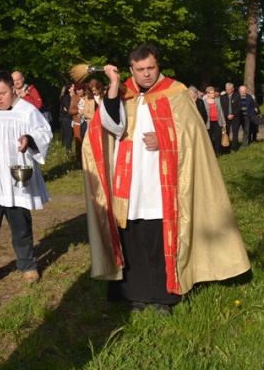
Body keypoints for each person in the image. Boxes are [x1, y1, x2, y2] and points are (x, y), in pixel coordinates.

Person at [82, 44, 249, 315]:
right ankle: (136, 295)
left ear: (158, 65)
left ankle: (163, 297)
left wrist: (165, 140)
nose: (147, 74)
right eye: (140, 69)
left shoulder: (176, 92)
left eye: (151, 67)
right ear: (132, 70)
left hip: (162, 178)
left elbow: (193, 134)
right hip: (130, 179)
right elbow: (112, 126)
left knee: (159, 235)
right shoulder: (124, 92)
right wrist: (112, 85)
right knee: (132, 234)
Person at [0, 70, 51, 286]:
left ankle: (28, 266)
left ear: (13, 89)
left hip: (17, 181)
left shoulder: (27, 111)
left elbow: (44, 133)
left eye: (3, 93)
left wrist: (29, 139)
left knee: (21, 227)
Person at [203, 86, 226, 155]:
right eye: (212, 93)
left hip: (217, 122)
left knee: (218, 137)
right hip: (208, 123)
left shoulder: (217, 100)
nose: (213, 94)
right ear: (207, 94)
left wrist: (223, 122)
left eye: (214, 92)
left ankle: (218, 152)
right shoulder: (203, 102)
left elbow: (221, 111)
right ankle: (211, 153)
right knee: (209, 138)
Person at [220, 82, 241, 151]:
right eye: (226, 89)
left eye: (229, 89)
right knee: (227, 132)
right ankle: (226, 147)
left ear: (232, 89)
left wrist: (233, 114)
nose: (227, 90)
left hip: (235, 117)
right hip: (226, 117)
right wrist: (227, 115)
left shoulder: (237, 96)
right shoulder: (223, 97)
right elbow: (222, 107)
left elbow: (239, 107)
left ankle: (234, 148)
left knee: (235, 133)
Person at [58, 83, 74, 153]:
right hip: (66, 118)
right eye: (73, 87)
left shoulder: (76, 97)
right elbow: (68, 107)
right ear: (69, 89)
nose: (74, 88)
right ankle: (68, 149)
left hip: (74, 117)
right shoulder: (64, 97)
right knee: (69, 134)